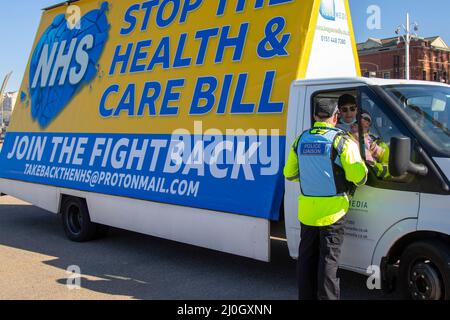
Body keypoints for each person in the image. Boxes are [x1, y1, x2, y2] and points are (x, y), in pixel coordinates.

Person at [283, 100, 368, 300]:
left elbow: (289, 173)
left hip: (307, 212)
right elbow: (359, 177)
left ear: (315, 117)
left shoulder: (300, 140)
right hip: (333, 214)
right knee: (328, 263)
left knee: (306, 260)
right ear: (335, 117)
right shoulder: (341, 140)